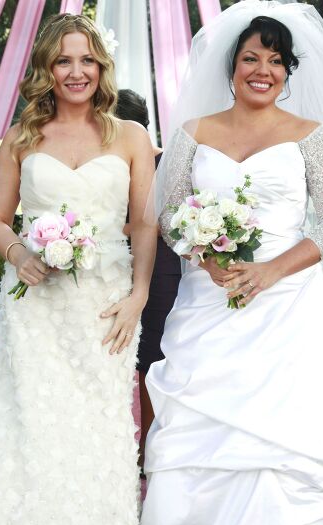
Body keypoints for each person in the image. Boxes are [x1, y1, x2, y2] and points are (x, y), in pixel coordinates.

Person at [141, 2, 323, 525]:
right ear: (231, 66)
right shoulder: (192, 134)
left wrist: (269, 272)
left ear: (289, 72)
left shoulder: (310, 136)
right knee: (199, 438)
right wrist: (210, 260)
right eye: (251, 58)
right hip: (207, 307)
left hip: (290, 313)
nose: (263, 70)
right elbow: (170, 213)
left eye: (276, 61)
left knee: (287, 441)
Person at [0, 13, 155, 525]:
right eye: (64, 60)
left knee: (96, 430)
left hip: (105, 309)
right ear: (47, 67)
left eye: (87, 60)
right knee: (29, 423)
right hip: (35, 307)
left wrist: (139, 296)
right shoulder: (23, 136)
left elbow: (145, 224)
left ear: (101, 67)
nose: (76, 71)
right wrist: (19, 253)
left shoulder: (130, 137)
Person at [115, 89, 181, 475]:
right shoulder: (108, 160)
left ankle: (149, 448)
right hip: (110, 266)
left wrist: (110, 228)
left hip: (160, 270)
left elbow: (162, 223)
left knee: (152, 358)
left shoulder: (165, 162)